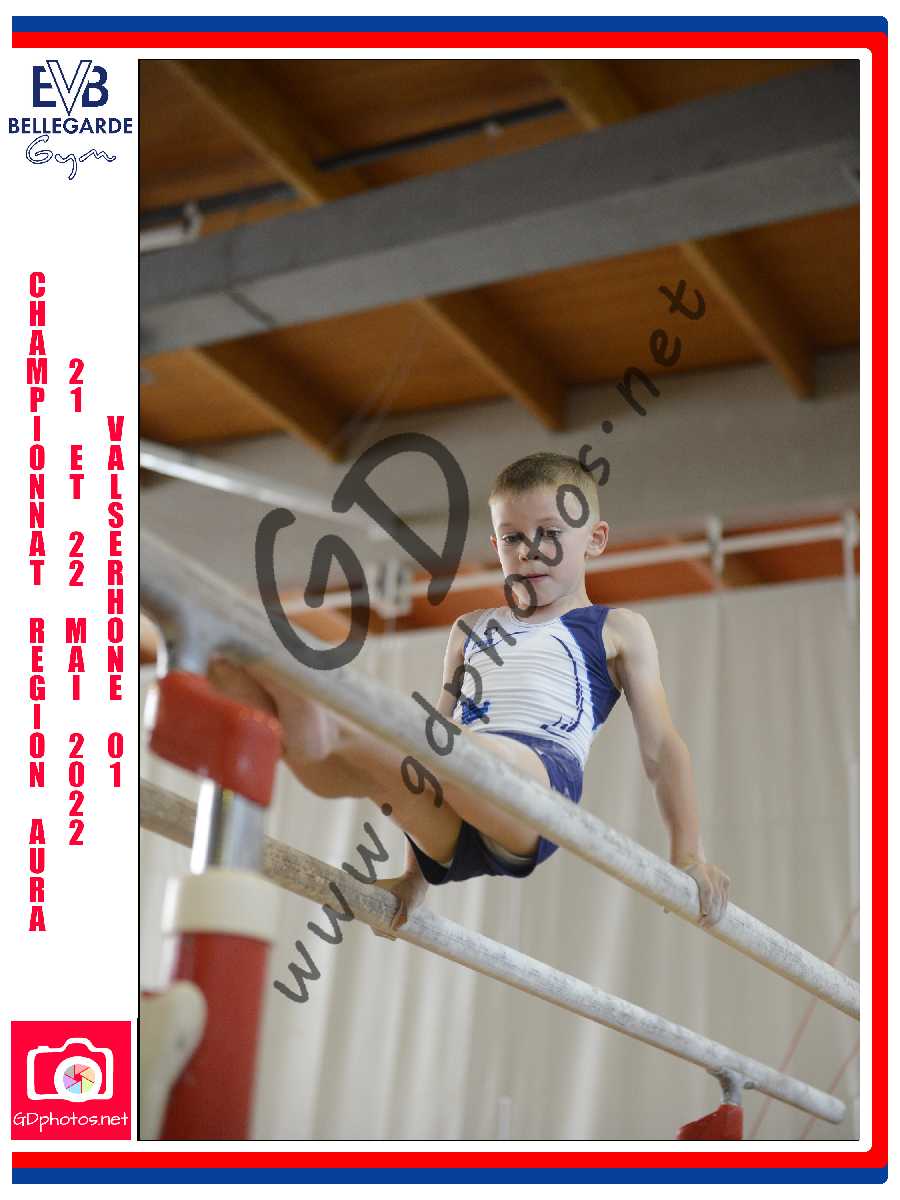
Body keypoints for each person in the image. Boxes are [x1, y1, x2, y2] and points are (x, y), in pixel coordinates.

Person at [208, 452, 730, 936]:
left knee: (431, 742)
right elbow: (426, 743)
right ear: (496, 546)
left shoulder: (616, 628)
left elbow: (661, 747)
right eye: (512, 537)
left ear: (594, 539)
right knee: (363, 760)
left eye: (549, 533)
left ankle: (308, 703)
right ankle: (293, 714)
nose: (529, 551)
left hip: (537, 784)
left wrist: (688, 856)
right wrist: (414, 878)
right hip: (451, 815)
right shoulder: (469, 629)